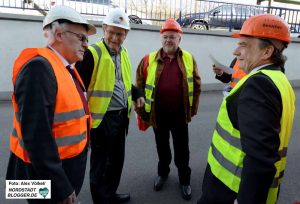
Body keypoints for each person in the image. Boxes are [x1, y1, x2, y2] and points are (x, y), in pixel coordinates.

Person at [197, 14, 295, 204]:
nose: (236, 51)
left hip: (229, 189)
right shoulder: (279, 80)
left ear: (267, 52)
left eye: (243, 45)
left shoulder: (259, 86)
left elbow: (260, 158)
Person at [6, 5, 96, 204]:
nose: (86, 44)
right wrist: (61, 188)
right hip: (45, 179)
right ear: (58, 34)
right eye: (81, 37)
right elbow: (36, 136)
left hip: (56, 173)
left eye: (86, 39)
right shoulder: (39, 68)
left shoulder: (64, 67)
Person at [75, 8, 144, 204]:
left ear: (126, 35)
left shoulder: (123, 53)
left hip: (122, 117)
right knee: (101, 164)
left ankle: (110, 194)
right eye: (111, 32)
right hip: (101, 119)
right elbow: (79, 89)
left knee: (116, 161)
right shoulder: (92, 53)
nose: (115, 37)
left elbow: (121, 82)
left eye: (120, 33)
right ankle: (101, 200)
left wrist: (137, 93)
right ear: (104, 29)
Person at [135, 18, 201, 201]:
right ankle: (163, 173)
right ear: (161, 38)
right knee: (162, 147)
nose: (168, 40)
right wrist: (142, 113)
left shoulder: (188, 58)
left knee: (182, 150)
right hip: (158, 115)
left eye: (172, 37)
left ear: (180, 38)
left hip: (180, 114)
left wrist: (192, 109)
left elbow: (196, 85)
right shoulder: (148, 60)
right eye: (165, 37)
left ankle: (184, 180)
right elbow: (139, 87)